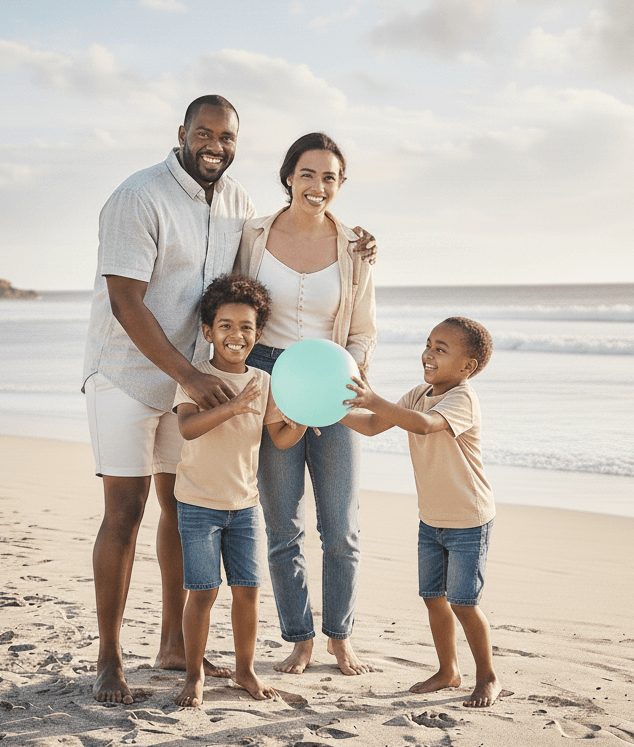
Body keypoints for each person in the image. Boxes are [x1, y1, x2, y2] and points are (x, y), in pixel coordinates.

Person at [82, 97, 376, 704]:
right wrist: (192, 377)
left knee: (178, 505)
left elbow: (250, 290)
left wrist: (358, 247)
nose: (215, 144)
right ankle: (109, 658)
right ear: (182, 134)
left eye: (227, 135)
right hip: (129, 376)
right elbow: (125, 302)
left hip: (198, 380)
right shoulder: (138, 196)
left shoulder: (240, 204)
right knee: (124, 510)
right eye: (204, 133)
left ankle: (171, 646)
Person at [234, 132, 376, 676]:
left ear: (339, 185)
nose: (319, 186)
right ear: (289, 175)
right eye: (309, 174)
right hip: (268, 379)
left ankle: (340, 636)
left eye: (331, 178)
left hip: (332, 382)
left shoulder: (355, 249)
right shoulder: (251, 236)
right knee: (282, 524)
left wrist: (348, 377)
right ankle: (300, 638)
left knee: (340, 526)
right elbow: (230, 302)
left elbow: (363, 330)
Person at [341, 317, 503, 707]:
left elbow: (426, 425)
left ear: (467, 366)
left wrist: (374, 398)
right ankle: (449, 670)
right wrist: (326, 411)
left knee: (464, 602)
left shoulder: (462, 398)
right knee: (433, 596)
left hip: (468, 518)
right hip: (431, 519)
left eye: (441, 349)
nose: (428, 353)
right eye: (428, 343)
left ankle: (488, 676)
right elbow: (371, 425)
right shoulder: (418, 392)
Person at [172, 273, 307, 707]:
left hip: (245, 506)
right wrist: (230, 406)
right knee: (204, 591)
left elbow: (280, 438)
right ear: (209, 332)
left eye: (247, 327)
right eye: (226, 326)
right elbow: (188, 428)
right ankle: (194, 674)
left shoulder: (263, 382)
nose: (237, 334)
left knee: (247, 589)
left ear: (259, 334)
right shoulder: (195, 378)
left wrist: (304, 418)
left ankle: (245, 671)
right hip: (198, 505)